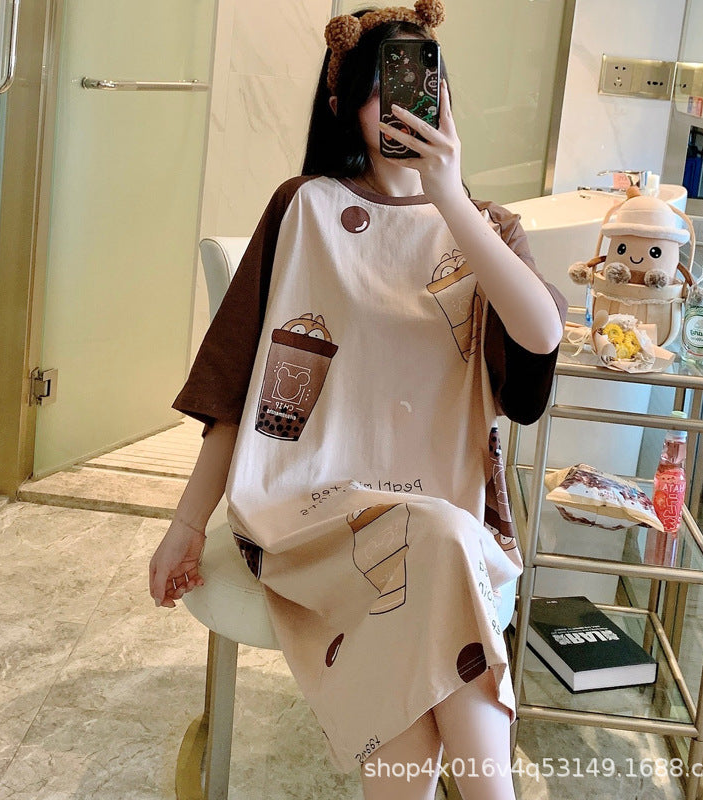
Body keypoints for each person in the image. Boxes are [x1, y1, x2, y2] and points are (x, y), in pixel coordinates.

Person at [149, 2, 566, 798]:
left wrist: (451, 197)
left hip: (439, 510)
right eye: (381, 90)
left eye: (421, 86)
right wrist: (186, 524)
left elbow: (540, 336)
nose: (403, 108)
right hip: (308, 506)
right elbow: (246, 389)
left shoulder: (485, 229)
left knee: (431, 549)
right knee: (435, 546)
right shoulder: (303, 208)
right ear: (343, 105)